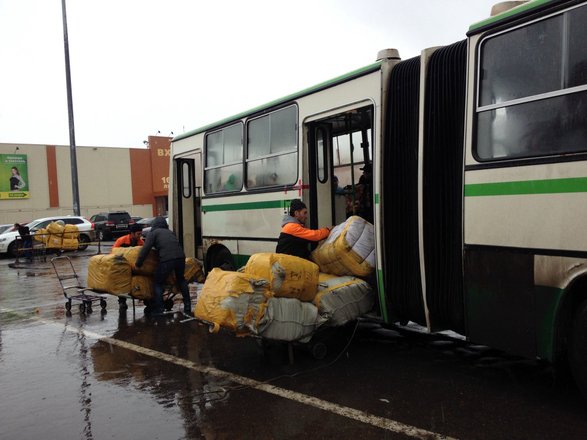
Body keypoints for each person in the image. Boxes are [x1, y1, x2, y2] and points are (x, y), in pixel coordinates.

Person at [134, 217, 191, 316]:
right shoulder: (170, 232)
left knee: (158, 281)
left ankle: (159, 309)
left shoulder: (154, 233)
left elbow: (145, 249)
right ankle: (188, 306)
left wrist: (138, 263)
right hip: (181, 257)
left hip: (167, 259)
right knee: (181, 279)